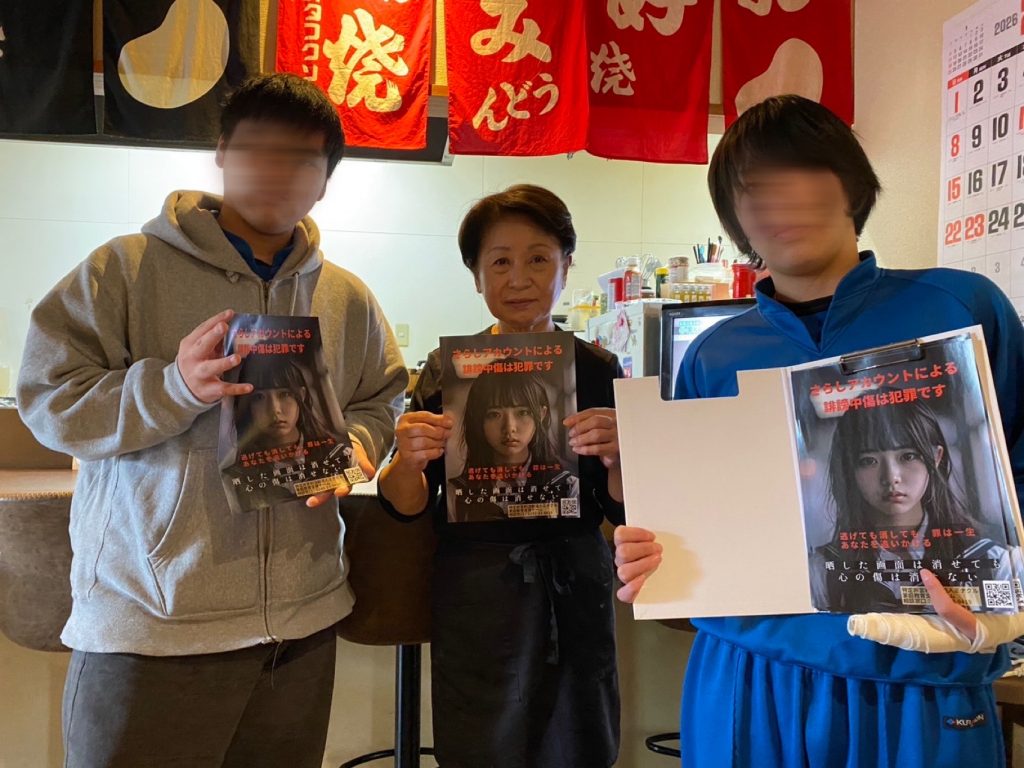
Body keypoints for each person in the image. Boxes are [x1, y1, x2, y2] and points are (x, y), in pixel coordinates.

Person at [614, 95, 1024, 767]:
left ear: (851, 186)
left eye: (803, 174)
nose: (783, 202)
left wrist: (1004, 601)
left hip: (926, 675)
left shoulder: (959, 307)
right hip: (750, 674)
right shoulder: (713, 355)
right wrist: (651, 554)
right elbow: (695, 526)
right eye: (756, 189)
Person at [16, 73, 407, 768]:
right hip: (153, 628)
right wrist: (173, 387)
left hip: (301, 625)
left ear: (325, 181)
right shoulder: (123, 269)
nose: (278, 171)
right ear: (222, 152)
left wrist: (351, 447)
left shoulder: (346, 296)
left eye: (303, 158)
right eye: (260, 148)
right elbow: (49, 399)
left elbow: (384, 397)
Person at [378, 184, 624, 768]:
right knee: (481, 739)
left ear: (566, 265)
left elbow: (620, 507)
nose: (519, 279)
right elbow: (407, 505)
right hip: (478, 586)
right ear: (476, 275)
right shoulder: (447, 370)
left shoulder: (597, 369)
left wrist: (622, 458)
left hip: (574, 582)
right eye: (500, 262)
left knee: (577, 738)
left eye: (538, 259)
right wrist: (407, 460)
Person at [811, 394, 1015, 613]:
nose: (891, 477)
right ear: (848, 468)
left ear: (936, 457)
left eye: (908, 456)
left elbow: (1010, 631)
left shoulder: (992, 561)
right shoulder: (822, 571)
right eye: (868, 461)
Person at [448, 360, 579, 523]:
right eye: (494, 414)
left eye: (523, 412)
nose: (510, 428)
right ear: (478, 419)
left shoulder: (568, 487)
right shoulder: (456, 494)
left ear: (541, 414)